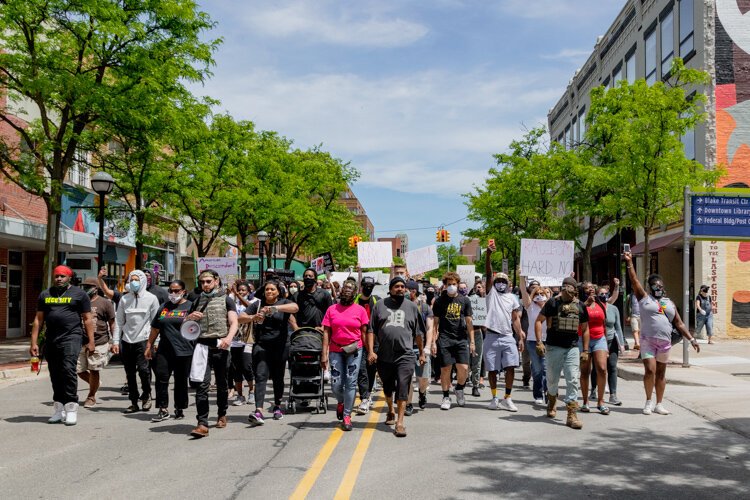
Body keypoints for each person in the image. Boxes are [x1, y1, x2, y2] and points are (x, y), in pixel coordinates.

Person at [624, 252, 700, 415]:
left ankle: (659, 403)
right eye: (656, 286)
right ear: (650, 287)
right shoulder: (644, 298)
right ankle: (648, 402)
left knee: (661, 373)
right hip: (647, 341)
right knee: (650, 370)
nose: (660, 288)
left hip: (665, 342)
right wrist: (629, 263)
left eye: (661, 286)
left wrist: (692, 339)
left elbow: (679, 323)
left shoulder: (669, 303)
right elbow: (634, 281)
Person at [29, 265, 95, 426]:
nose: (59, 279)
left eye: (62, 276)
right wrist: (34, 342)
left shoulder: (79, 294)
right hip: (52, 339)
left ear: (69, 278)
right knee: (55, 373)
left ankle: (71, 407)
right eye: (57, 276)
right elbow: (38, 319)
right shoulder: (45, 294)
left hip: (72, 337)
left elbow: (87, 318)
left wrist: (91, 341)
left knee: (67, 369)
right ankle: (59, 409)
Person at [368, 277, 426, 437]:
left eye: (402, 286)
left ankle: (400, 423)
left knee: (403, 385)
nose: (400, 289)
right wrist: (371, 351)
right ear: (390, 289)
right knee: (387, 386)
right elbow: (371, 330)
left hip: (405, 355)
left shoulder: (412, 307)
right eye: (396, 286)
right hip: (384, 355)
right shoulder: (380, 305)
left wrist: (421, 352)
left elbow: (419, 333)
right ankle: (390, 410)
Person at [184, 269, 239, 437]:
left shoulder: (226, 300)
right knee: (201, 384)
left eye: (208, 281)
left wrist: (229, 338)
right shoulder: (196, 300)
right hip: (202, 347)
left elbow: (234, 321)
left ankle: (222, 413)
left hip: (220, 346)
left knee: (222, 384)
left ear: (216, 281)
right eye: (202, 282)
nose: (205, 285)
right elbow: (187, 325)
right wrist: (189, 318)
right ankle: (202, 423)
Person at [241, 280, 299, 426]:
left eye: (273, 289)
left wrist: (276, 309)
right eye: (267, 289)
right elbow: (240, 317)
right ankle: (258, 410)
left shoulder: (285, 302)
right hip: (261, 346)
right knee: (260, 375)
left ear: (278, 291)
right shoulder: (258, 304)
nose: (269, 292)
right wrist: (253, 317)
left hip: (280, 346)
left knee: (278, 377)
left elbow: (295, 307)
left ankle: (277, 406)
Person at [535, 276, 590, 429]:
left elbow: (585, 329)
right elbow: (539, 321)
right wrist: (539, 342)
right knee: (552, 380)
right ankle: (552, 399)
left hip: (572, 347)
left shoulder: (580, 306)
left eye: (569, 287)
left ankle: (571, 414)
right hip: (553, 347)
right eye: (564, 286)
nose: (566, 289)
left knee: (572, 378)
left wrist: (585, 350)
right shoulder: (553, 302)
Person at [322, 281, 369, 431]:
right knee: (335, 384)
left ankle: (347, 416)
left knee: (350, 382)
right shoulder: (331, 309)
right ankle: (341, 402)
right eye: (345, 288)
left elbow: (364, 333)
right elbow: (326, 332)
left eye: (350, 289)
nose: (347, 291)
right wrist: (324, 354)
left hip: (355, 350)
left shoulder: (360, 310)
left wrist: (370, 352)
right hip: (336, 349)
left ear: (355, 293)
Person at [144, 280, 194, 421]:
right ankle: (163, 408)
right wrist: (149, 345)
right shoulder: (164, 307)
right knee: (161, 379)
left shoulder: (190, 307)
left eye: (177, 291)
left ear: (184, 291)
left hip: (184, 350)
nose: (173, 293)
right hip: (164, 351)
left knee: (180, 381)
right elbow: (155, 328)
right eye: (171, 291)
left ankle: (179, 408)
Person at [482, 243, 524, 412]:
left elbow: (515, 319)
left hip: (508, 336)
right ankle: (494, 397)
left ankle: (507, 397)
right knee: (492, 369)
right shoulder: (490, 294)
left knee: (510, 367)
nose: (500, 283)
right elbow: (487, 273)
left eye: (503, 281)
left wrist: (519, 337)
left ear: (508, 283)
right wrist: (488, 256)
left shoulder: (512, 298)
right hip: (491, 336)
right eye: (497, 281)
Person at [113, 270, 160, 413]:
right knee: (129, 373)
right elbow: (119, 321)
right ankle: (133, 401)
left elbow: (156, 322)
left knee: (144, 371)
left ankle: (146, 395)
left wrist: (155, 341)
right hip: (127, 340)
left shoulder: (151, 298)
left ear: (143, 281)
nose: (133, 282)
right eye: (131, 279)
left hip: (144, 340)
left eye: (136, 279)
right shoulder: (124, 299)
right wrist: (115, 341)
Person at [432, 271, 475, 410]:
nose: (451, 286)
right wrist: (433, 341)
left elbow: (469, 322)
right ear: (445, 285)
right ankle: (445, 396)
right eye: (449, 284)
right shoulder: (439, 301)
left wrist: (472, 341)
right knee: (446, 369)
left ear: (457, 284)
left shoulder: (465, 300)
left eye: (454, 284)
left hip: (461, 339)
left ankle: (459, 388)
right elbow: (435, 323)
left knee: (464, 368)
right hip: (445, 338)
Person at [77, 277, 116, 409]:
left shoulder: (105, 303)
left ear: (96, 289)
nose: (85, 289)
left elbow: (112, 323)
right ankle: (95, 383)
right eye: (84, 286)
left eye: (88, 287)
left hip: (99, 341)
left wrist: (114, 341)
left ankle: (91, 396)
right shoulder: (79, 302)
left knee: (94, 369)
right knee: (79, 370)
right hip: (81, 341)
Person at [578, 281, 611, 415]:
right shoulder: (579, 304)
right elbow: (577, 316)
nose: (590, 290)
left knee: (602, 369)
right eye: (587, 288)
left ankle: (601, 401)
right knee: (585, 371)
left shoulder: (600, 304)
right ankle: (585, 401)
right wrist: (585, 304)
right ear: (582, 291)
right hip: (583, 339)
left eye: (592, 287)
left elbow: (604, 324)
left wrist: (606, 344)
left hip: (599, 339)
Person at [590, 285, 625, 406]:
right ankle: (593, 389)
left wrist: (621, 343)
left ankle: (613, 395)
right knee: (597, 367)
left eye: (606, 293)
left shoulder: (614, 309)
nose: (603, 296)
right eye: (601, 293)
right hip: (598, 340)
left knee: (612, 366)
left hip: (611, 341)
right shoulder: (592, 307)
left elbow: (618, 327)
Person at [406, 280, 435, 414]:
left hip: (420, 347)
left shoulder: (424, 308)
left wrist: (428, 346)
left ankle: (422, 393)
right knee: (406, 378)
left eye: (408, 290)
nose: (406, 292)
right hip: (405, 348)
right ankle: (408, 403)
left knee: (423, 378)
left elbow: (430, 328)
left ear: (414, 292)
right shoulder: (401, 307)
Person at [520, 277, 548, 406]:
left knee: (546, 368)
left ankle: (548, 392)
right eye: (537, 294)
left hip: (548, 341)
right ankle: (538, 394)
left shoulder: (550, 306)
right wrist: (522, 278)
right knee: (537, 369)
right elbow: (523, 292)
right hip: (532, 341)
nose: (540, 296)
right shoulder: (530, 306)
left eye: (542, 294)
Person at [228, 282, 257, 406]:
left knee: (247, 366)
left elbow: (250, 308)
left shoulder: (254, 302)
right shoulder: (232, 304)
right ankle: (240, 395)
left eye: (243, 290)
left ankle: (252, 391)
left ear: (249, 292)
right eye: (239, 290)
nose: (241, 292)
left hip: (247, 341)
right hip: (234, 342)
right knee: (236, 370)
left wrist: (236, 295)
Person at [355, 274, 380, 414]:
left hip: (373, 342)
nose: (368, 289)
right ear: (361, 286)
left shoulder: (377, 301)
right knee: (361, 370)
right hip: (357, 341)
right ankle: (364, 398)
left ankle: (368, 394)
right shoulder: (354, 301)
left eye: (371, 287)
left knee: (371, 370)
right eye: (366, 286)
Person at [469, 281, 486, 397]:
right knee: (465, 360)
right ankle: (462, 381)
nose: (477, 290)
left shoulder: (485, 302)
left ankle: (475, 385)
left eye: (480, 287)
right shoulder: (466, 301)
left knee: (477, 360)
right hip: (465, 334)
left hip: (478, 333)